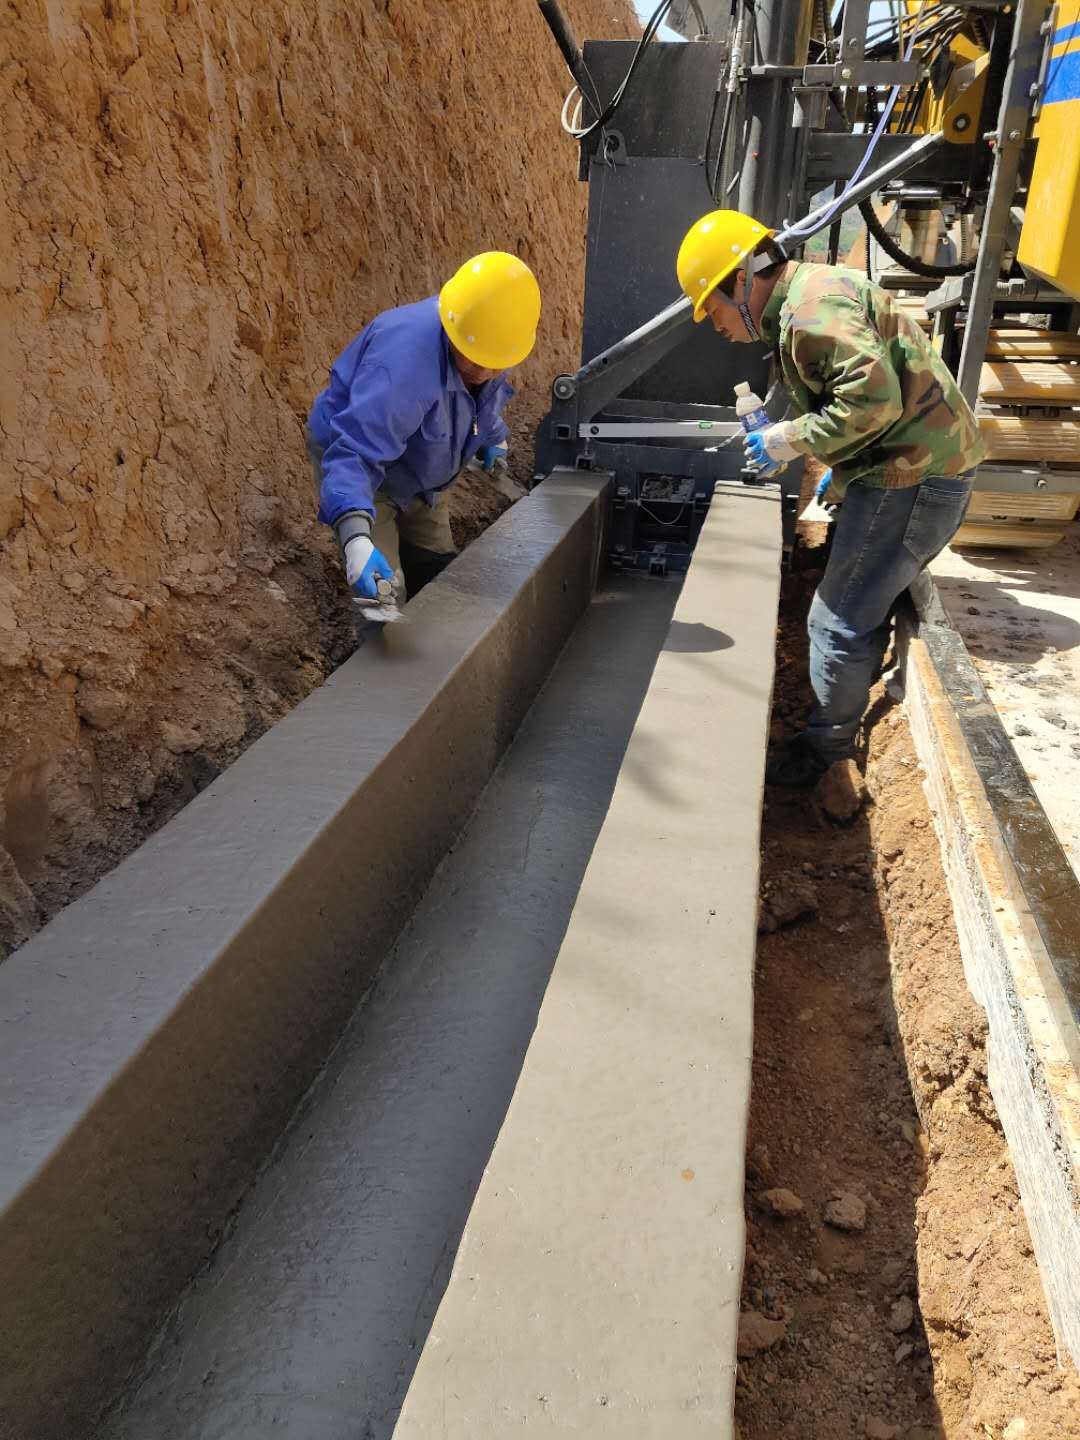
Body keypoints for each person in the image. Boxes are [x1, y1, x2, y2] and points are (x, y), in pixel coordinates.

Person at [676, 209, 986, 786]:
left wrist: (789, 439)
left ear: (740, 280)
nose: (714, 324)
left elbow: (872, 404)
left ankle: (825, 754)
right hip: (914, 465)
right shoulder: (813, 294)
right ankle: (840, 718)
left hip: (914, 477)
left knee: (835, 621)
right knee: (859, 604)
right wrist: (842, 473)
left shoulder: (810, 313)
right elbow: (868, 400)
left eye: (711, 308)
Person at [309, 252, 541, 610]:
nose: (482, 372)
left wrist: (493, 436)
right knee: (383, 596)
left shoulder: (490, 341)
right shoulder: (402, 367)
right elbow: (355, 452)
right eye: (473, 360)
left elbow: (478, 401)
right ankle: (381, 636)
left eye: (493, 365)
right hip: (362, 463)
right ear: (453, 326)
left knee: (437, 573)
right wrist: (355, 536)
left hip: (425, 468)